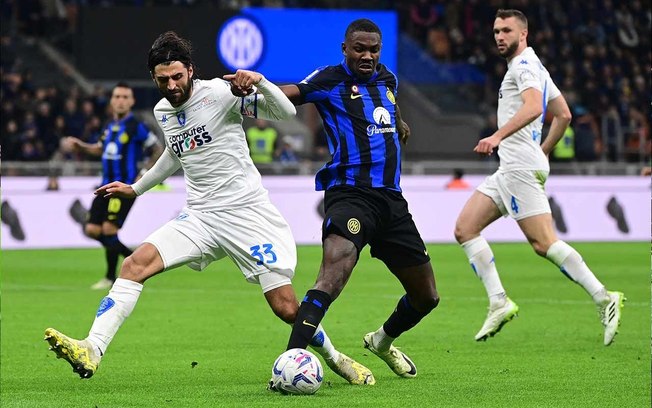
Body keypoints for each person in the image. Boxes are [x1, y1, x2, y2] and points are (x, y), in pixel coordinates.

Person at [44, 31, 374, 386]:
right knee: (133, 265)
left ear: (190, 70)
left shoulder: (220, 93)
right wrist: (136, 188)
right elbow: (174, 153)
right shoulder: (162, 111)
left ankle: (336, 357)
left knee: (286, 308)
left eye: (177, 77)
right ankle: (92, 348)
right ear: (153, 78)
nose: (171, 85)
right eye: (162, 79)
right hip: (200, 216)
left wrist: (260, 81)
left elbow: (286, 110)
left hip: (248, 214)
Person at [277, 19, 440, 379]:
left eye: (373, 49)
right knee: (333, 273)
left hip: (392, 203)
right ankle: (290, 361)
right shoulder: (330, 79)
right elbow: (290, 93)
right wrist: (254, 86)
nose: (367, 55)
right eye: (360, 49)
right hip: (350, 194)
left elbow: (391, 113)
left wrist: (400, 124)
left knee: (427, 297)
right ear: (345, 49)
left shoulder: (388, 79)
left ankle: (381, 341)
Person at [453, 9, 625, 345]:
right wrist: (543, 149)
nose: (499, 37)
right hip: (513, 167)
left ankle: (605, 298)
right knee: (465, 229)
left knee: (543, 243)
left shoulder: (525, 67)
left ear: (523, 33)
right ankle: (499, 302)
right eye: (496, 31)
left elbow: (535, 108)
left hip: (518, 168)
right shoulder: (534, 65)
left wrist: (497, 136)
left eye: (506, 31)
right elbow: (563, 114)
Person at [59, 82, 163, 290]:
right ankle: (136, 260)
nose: (120, 100)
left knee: (108, 229)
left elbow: (157, 149)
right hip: (104, 187)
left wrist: (142, 175)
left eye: (125, 97)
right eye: (117, 96)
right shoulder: (109, 126)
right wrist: (81, 146)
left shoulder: (136, 126)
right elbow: (100, 149)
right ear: (112, 100)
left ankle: (111, 276)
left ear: (132, 101)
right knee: (91, 229)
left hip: (123, 187)